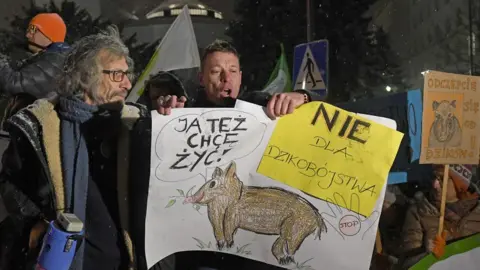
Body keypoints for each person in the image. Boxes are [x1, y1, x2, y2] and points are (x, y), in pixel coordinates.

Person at [0, 25, 153, 270]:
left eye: (127, 74)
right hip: (61, 261)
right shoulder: (40, 126)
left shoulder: (135, 125)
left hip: (125, 262)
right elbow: (12, 184)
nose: (126, 84)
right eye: (116, 75)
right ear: (86, 75)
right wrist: (35, 222)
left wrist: (169, 118)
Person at [156, 39, 324, 119]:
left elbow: (321, 107)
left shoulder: (259, 104)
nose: (226, 78)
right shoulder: (185, 110)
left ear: (240, 77)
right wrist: (166, 116)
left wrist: (302, 96)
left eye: (233, 71)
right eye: (216, 71)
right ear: (201, 79)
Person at [399, 165, 480, 268]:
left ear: (461, 185)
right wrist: (428, 255)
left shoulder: (477, 212)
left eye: (442, 179)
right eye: (434, 178)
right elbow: (406, 264)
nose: (435, 184)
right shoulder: (419, 213)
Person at [0, 13, 70, 125]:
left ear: (49, 34)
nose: (28, 35)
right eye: (28, 29)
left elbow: (13, 83)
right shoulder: (45, 58)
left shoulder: (55, 62)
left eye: (33, 29)